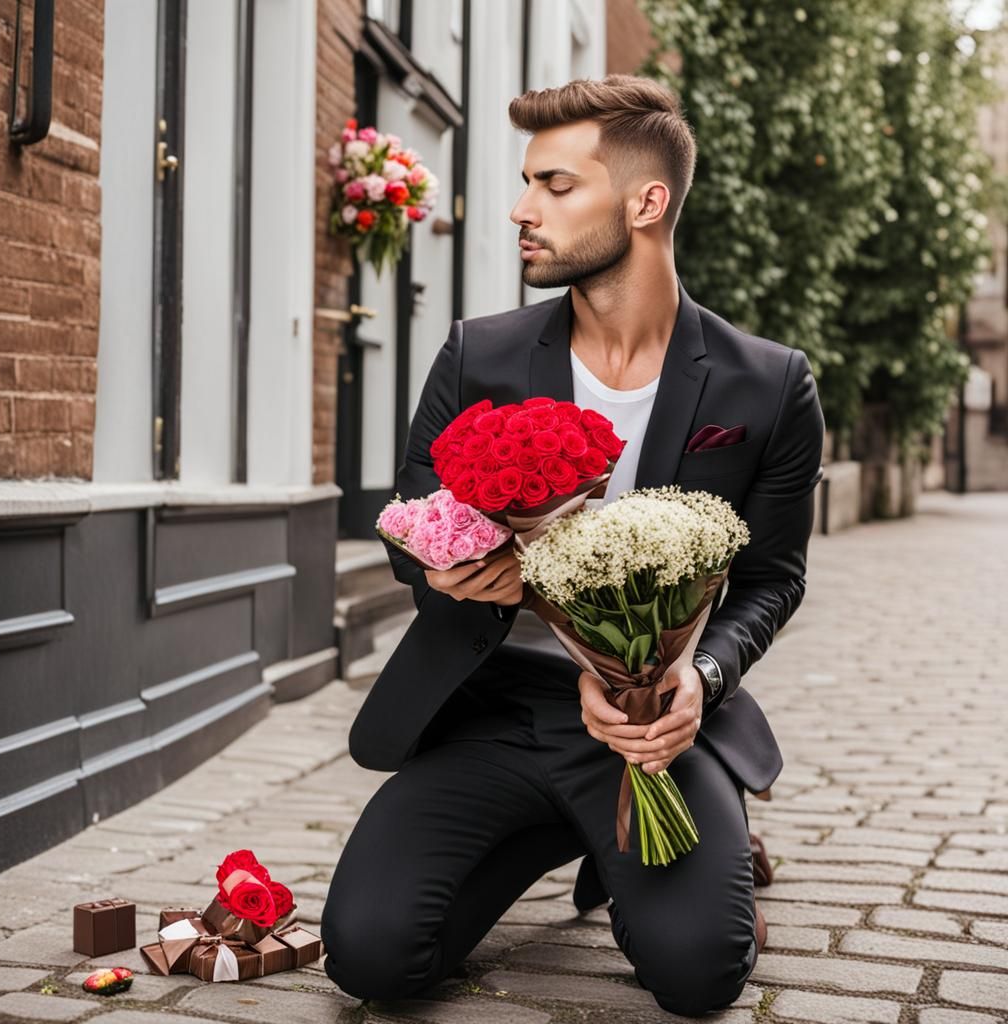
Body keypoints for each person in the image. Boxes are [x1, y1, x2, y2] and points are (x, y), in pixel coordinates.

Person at [321, 74, 824, 1017]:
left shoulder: (770, 385)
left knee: (699, 975)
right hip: (487, 713)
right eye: (526, 182)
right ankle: (571, 834)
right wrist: (447, 567)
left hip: (652, 731)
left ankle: (680, 853)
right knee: (373, 962)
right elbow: (407, 519)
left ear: (646, 201)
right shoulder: (481, 354)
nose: (521, 209)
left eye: (555, 186)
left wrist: (698, 681)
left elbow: (772, 580)